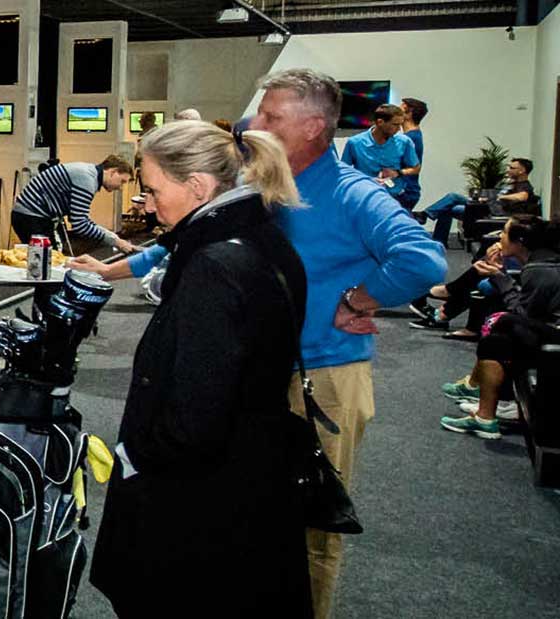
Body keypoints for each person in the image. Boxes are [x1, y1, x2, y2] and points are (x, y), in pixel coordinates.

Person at [77, 69, 445, 619]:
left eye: (272, 116)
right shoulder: (257, 195)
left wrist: (358, 301)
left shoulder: (350, 193)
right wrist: (115, 269)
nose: (255, 124)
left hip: (324, 374)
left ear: (315, 125)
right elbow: (183, 238)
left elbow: (423, 261)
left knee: (309, 526)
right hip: (256, 375)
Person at [90, 120, 312, 618]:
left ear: (197, 186)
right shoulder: (266, 241)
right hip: (252, 480)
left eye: (152, 189)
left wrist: (135, 455)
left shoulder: (213, 266)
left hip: (203, 501)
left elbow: (195, 416)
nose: (146, 203)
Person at [440, 217, 560, 439]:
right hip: (549, 331)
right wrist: (499, 277)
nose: (499, 238)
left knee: (502, 324)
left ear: (520, 241)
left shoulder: (540, 269)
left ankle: (485, 410)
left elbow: (522, 315)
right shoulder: (540, 262)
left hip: (554, 343)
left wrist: (500, 278)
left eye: (503, 233)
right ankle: (486, 411)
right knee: (496, 334)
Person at [9, 154, 139, 255]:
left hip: (34, 216)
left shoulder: (89, 173)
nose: (120, 187)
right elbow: (80, 225)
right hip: (31, 217)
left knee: (51, 263)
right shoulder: (87, 180)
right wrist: (116, 241)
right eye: (122, 181)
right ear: (113, 172)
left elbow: (80, 219)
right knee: (49, 266)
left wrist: (114, 238)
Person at [420, 157, 537, 244]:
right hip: (485, 206)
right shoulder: (512, 184)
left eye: (512, 168)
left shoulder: (525, 185)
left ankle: (426, 217)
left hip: (491, 212)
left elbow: (522, 197)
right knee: (450, 203)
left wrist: (500, 197)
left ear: (522, 171)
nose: (508, 170)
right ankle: (438, 238)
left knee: (451, 202)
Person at [338, 104, 419, 202]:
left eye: (400, 125)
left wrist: (398, 172)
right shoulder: (355, 143)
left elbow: (416, 168)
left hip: (394, 198)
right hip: (364, 197)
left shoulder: (404, 142)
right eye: (395, 125)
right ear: (380, 122)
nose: (399, 129)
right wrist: (364, 180)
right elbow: (343, 172)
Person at [396, 98, 428, 212]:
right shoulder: (414, 135)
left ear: (408, 114)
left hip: (405, 190)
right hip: (408, 189)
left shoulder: (409, 138)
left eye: (399, 111)